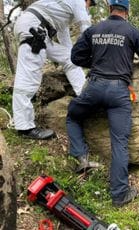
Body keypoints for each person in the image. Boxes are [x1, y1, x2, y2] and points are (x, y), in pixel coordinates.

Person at [66, 0, 139, 208]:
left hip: (95, 87)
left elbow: (75, 56)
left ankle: (81, 156)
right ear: (127, 10)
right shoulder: (132, 31)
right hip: (118, 93)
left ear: (110, 9)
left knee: (73, 115)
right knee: (119, 143)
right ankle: (119, 194)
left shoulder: (94, 30)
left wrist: (96, 62)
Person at [12, 0, 95, 139]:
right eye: (90, 4)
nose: (88, 7)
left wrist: (76, 57)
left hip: (38, 27)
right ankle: (25, 128)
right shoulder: (78, 1)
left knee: (69, 58)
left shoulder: (63, 12)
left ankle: (84, 94)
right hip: (34, 27)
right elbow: (86, 30)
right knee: (29, 77)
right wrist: (96, 57)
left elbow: (65, 39)